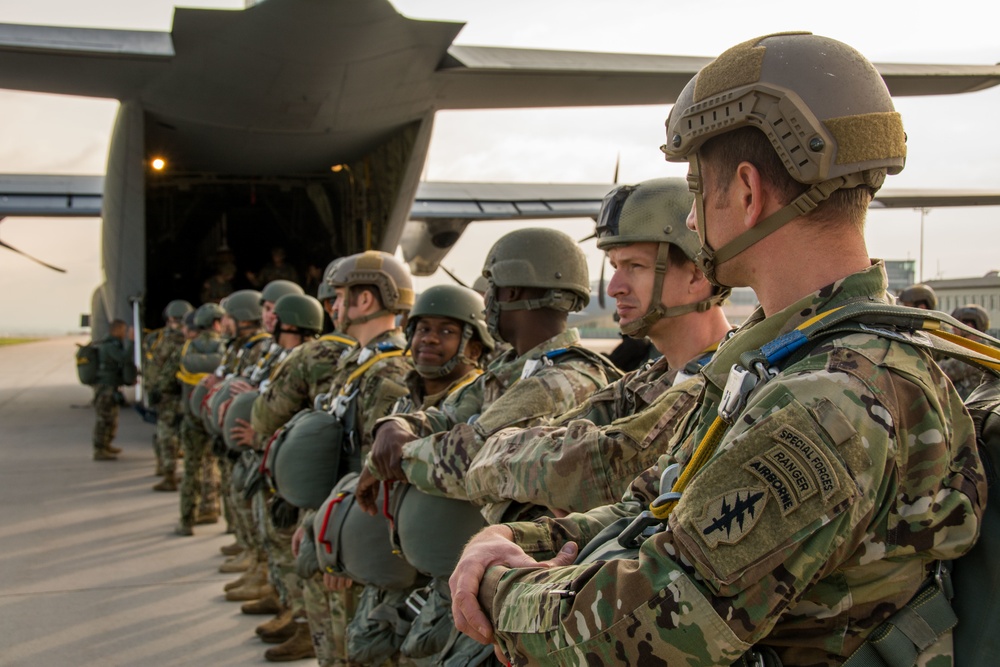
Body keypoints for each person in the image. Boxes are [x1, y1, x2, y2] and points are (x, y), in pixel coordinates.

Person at [451, 32, 985, 666]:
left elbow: (640, 629)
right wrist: (520, 535)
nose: (696, 218)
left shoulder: (828, 400)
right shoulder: (784, 362)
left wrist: (494, 584)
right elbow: (652, 508)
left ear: (748, 191)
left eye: (697, 188)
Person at [462, 178, 732, 518]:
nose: (616, 287)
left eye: (635, 266)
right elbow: (487, 453)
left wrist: (528, 480)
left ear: (696, 276)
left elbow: (591, 469)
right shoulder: (649, 381)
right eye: (616, 267)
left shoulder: (722, 384)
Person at [315, 284, 493, 666]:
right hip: (390, 567)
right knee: (361, 652)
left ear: (474, 348)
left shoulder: (481, 410)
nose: (428, 338)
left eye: (447, 331)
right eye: (421, 328)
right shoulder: (400, 401)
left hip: (445, 584)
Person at [286, 250, 414, 667]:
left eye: (341, 296)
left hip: (353, 535)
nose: (335, 306)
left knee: (349, 655)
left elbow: (373, 475)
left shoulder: (389, 374)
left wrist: (342, 546)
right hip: (334, 519)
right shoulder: (358, 364)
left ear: (366, 301)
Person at [175, 302, 227, 536]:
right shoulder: (227, 349)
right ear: (217, 323)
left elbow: (171, 378)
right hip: (217, 417)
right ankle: (230, 524)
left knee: (192, 469)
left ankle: (187, 521)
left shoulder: (188, 348)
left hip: (192, 417)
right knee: (223, 468)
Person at [147, 299, 194, 486]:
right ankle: (189, 474)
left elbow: (151, 368)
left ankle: (167, 472)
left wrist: (152, 390)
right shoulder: (194, 339)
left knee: (166, 432)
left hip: (166, 395)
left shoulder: (158, 339)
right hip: (188, 394)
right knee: (187, 433)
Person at [91, 318, 137, 461]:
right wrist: (132, 342)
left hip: (111, 387)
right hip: (106, 388)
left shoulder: (113, 344)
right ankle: (99, 449)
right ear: (116, 330)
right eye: (123, 331)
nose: (124, 334)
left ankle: (106, 445)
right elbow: (123, 358)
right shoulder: (109, 346)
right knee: (104, 419)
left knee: (112, 418)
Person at [940, 304, 992, 399]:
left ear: (969, 326)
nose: (953, 328)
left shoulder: (976, 352)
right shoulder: (980, 348)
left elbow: (942, 372)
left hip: (969, 410)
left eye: (956, 324)